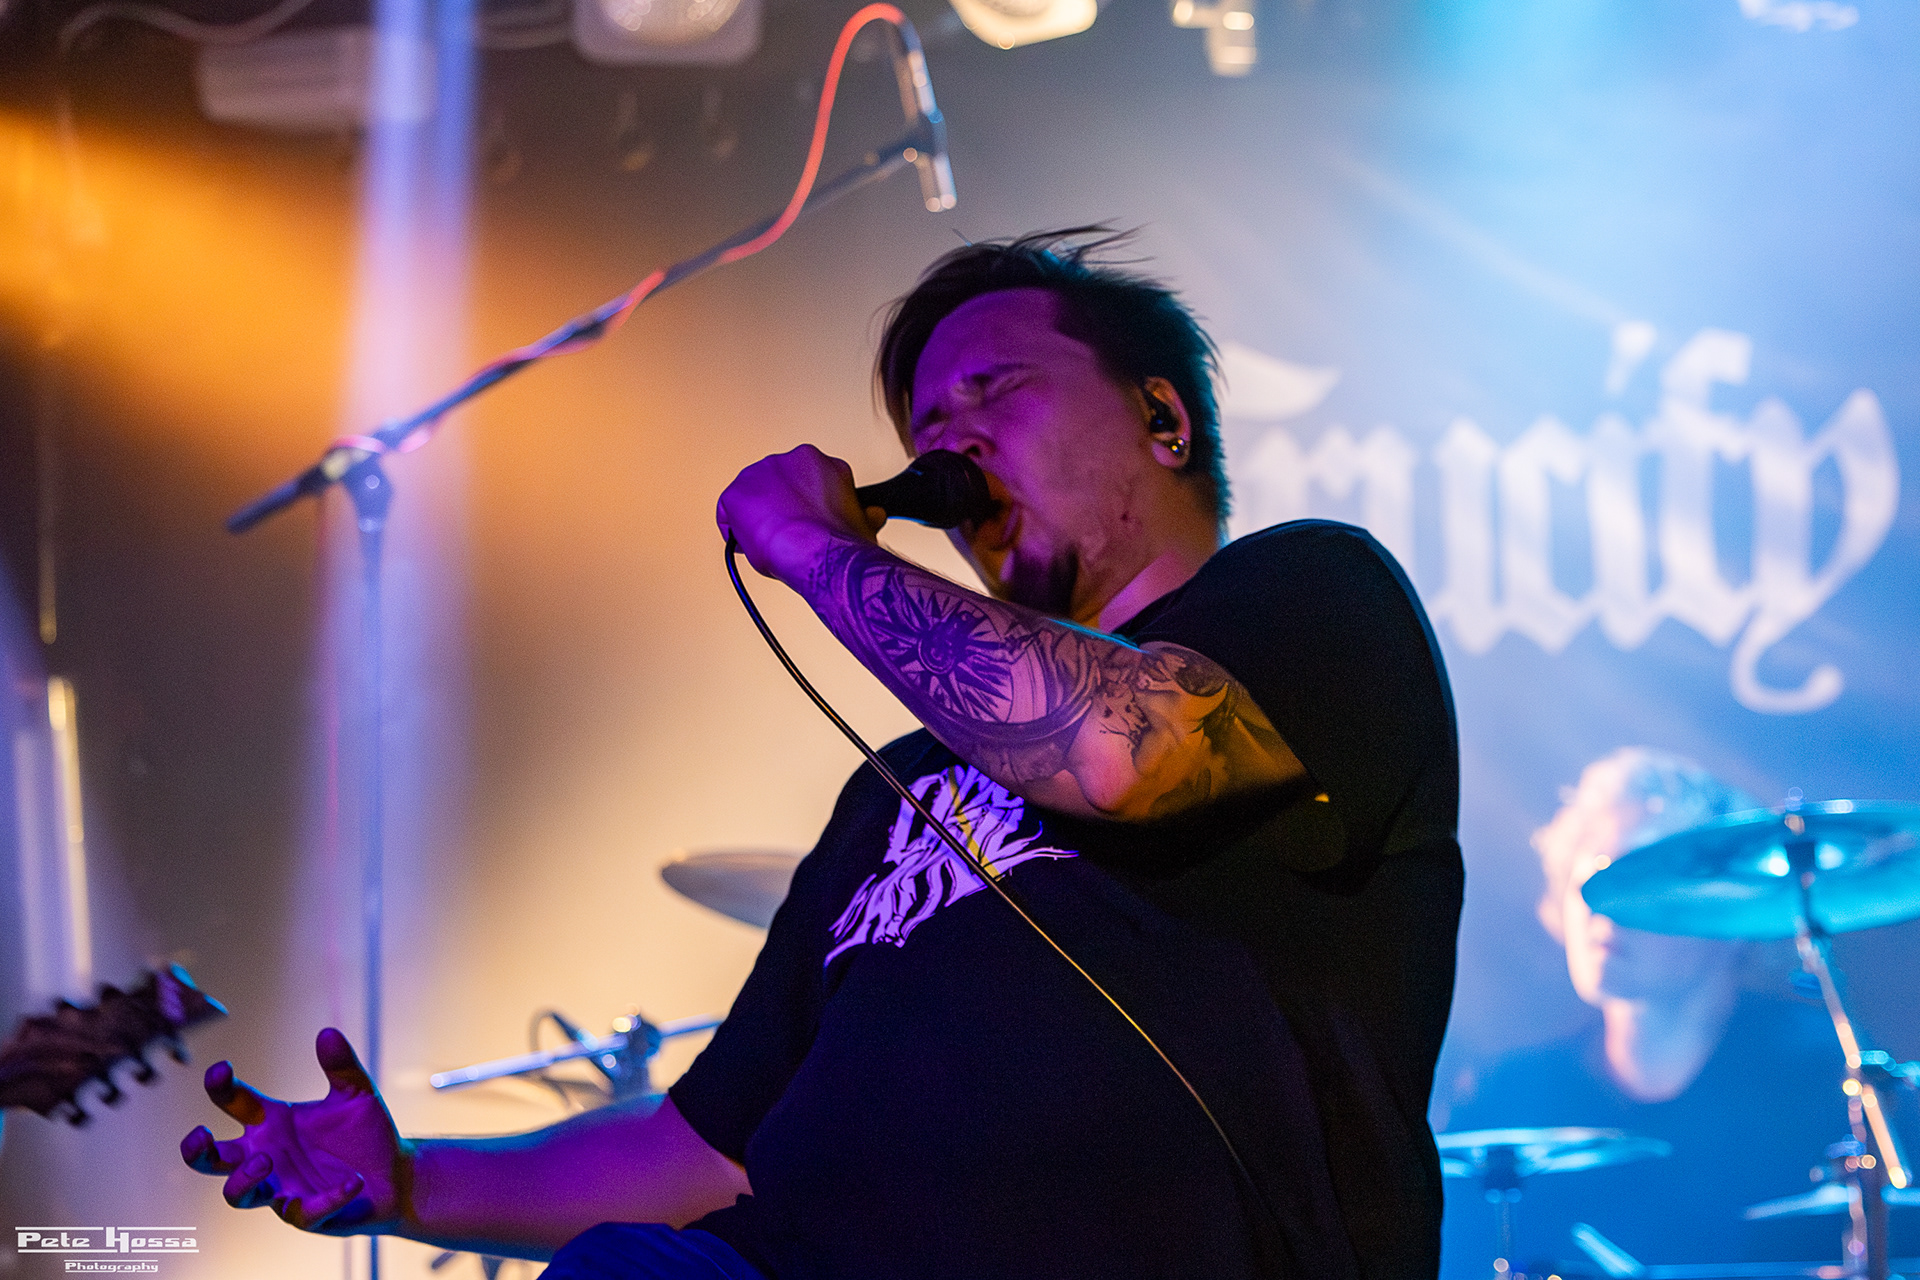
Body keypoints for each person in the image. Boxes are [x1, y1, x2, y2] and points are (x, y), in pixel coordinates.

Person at [182, 229, 1463, 1279]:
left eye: (997, 389)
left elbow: (1127, 750)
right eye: (928, 417)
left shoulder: (1310, 596)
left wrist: (815, 548)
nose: (948, 438)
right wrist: (412, 1179)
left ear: (1162, 416)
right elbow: (700, 1149)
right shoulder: (896, 783)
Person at [1439, 748, 1851, 1276]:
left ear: (1731, 914)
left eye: (1640, 882)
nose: (1604, 908)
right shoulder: (1505, 1098)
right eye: (1593, 875)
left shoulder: (1827, 1081)